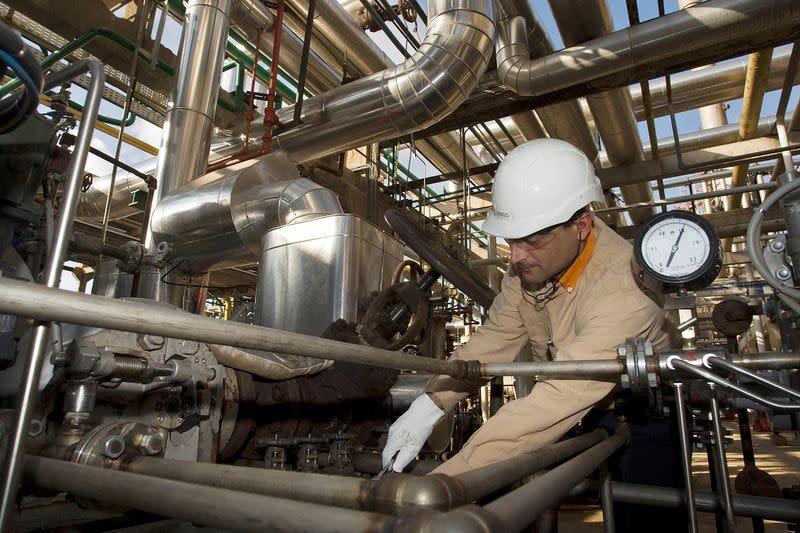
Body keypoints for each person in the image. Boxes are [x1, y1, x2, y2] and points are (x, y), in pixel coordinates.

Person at [382, 138, 676, 478]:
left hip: (644, 414)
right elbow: (495, 340)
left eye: (532, 240)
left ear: (581, 226)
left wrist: (446, 481)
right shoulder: (530, 266)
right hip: (584, 408)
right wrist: (429, 404)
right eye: (511, 240)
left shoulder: (626, 290)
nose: (517, 257)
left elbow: (560, 393)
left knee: (641, 507)